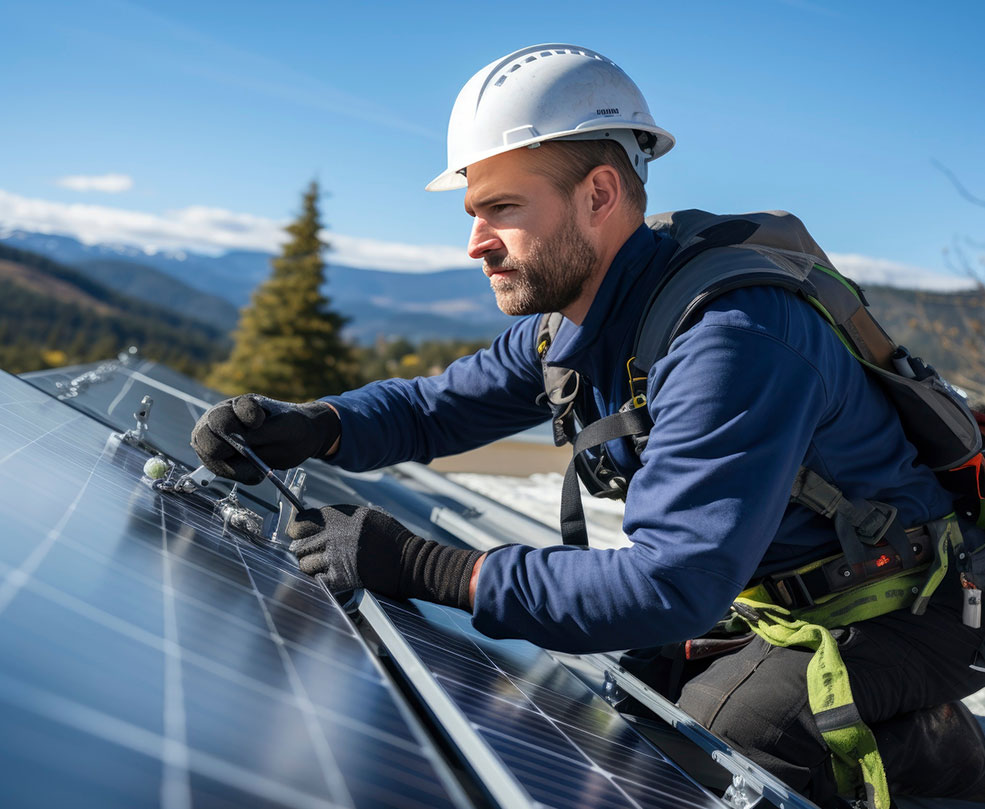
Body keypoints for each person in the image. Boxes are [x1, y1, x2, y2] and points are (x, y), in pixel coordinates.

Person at [191, 44, 985, 805]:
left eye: (502, 209)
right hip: (773, 591)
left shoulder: (732, 338)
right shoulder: (579, 319)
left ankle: (930, 756)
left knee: (705, 750)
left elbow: (669, 581)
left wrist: (425, 568)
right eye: (474, 211)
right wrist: (313, 424)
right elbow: (438, 405)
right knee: (629, 701)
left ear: (599, 195)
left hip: (901, 603)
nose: (476, 243)